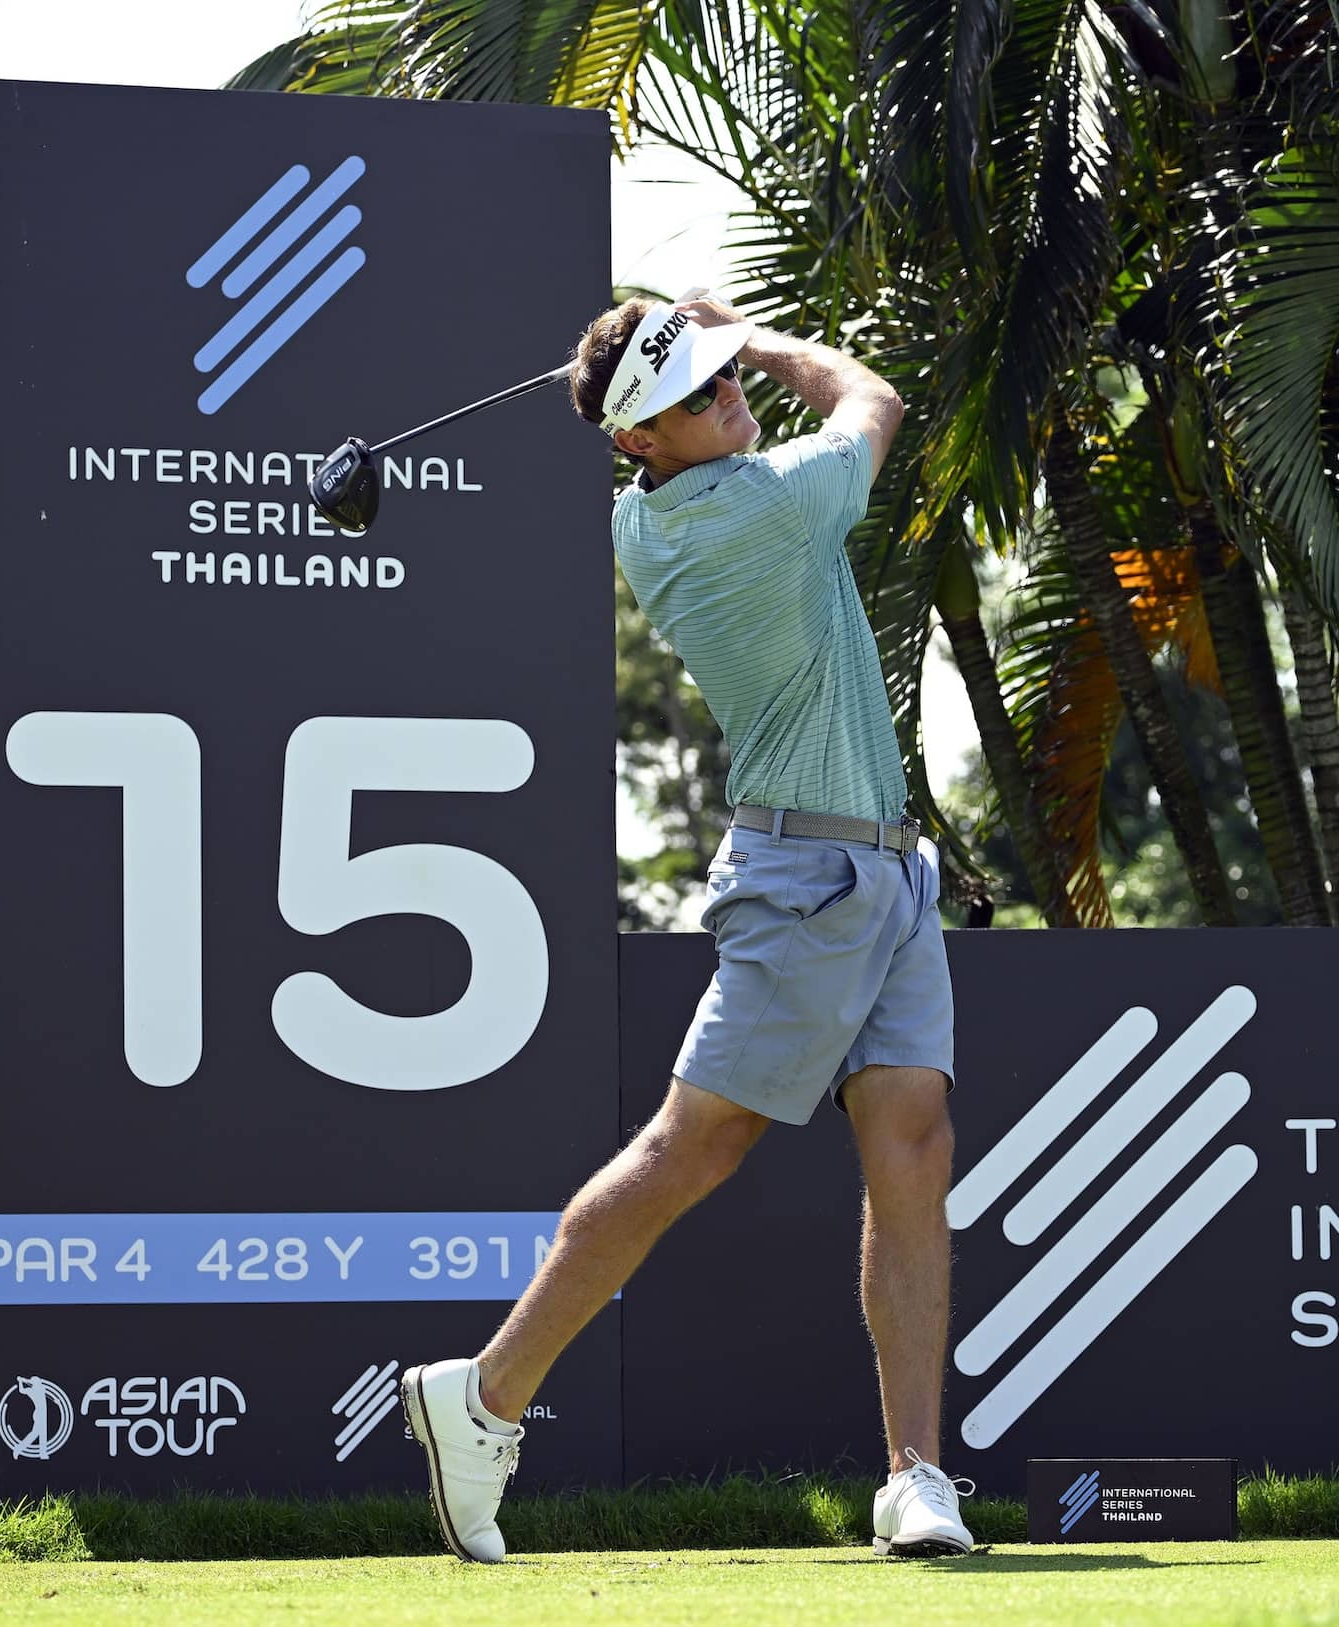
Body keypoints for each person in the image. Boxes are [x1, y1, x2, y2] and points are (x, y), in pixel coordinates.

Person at [398, 292, 972, 1563]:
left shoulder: (659, 505)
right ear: (641, 442)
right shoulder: (755, 510)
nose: (731, 396)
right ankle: (484, 1397)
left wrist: (687, 349)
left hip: (885, 871)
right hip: (808, 878)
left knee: (914, 1143)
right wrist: (759, 337)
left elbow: (738, 412)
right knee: (693, 1146)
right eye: (702, 393)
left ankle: (917, 1475)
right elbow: (871, 396)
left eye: (723, 378)